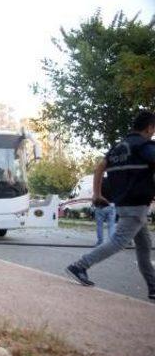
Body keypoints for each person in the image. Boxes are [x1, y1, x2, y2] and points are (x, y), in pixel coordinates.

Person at [66, 111, 155, 301]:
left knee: (145, 246)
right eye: (153, 130)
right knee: (118, 241)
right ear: (149, 127)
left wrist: (97, 194)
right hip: (137, 205)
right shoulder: (144, 146)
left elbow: (99, 168)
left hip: (124, 203)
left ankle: (153, 287)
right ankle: (80, 265)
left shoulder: (117, 148)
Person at [92, 175, 115, 245]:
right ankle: (111, 242)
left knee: (99, 226)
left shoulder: (98, 183)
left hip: (100, 207)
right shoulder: (112, 182)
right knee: (111, 225)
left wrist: (93, 203)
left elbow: (96, 195)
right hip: (111, 206)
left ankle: (100, 241)